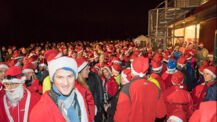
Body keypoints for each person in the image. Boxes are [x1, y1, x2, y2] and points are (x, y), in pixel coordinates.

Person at [30, 57, 90, 122]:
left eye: (70, 76)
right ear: (53, 80)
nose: (66, 83)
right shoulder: (40, 111)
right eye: (60, 77)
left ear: (75, 78)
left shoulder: (79, 99)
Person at [114, 57, 166, 122]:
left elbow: (120, 119)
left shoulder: (127, 89)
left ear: (132, 71)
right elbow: (161, 113)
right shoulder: (155, 87)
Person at [76, 57, 95, 122]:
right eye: (86, 69)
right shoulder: (78, 88)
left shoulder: (81, 84)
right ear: (80, 72)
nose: (89, 71)